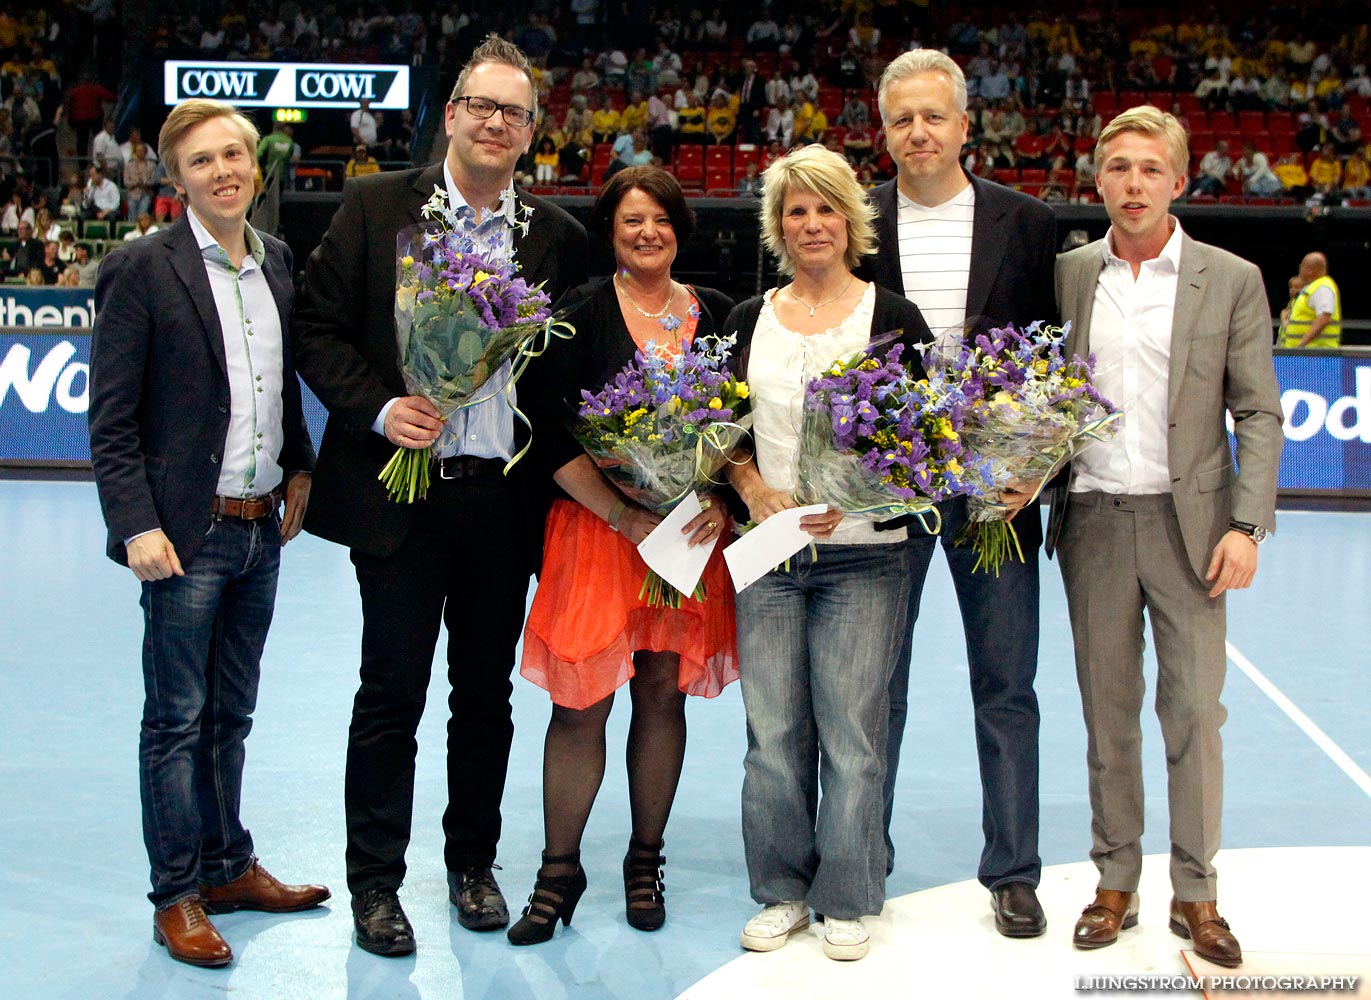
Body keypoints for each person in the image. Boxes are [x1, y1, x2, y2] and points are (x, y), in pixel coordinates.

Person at [291, 34, 588, 958]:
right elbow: (316, 326)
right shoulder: (378, 205)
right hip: (400, 498)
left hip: (500, 504)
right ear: (452, 114)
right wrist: (381, 408)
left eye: (516, 112)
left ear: (532, 131)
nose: (497, 123)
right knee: (390, 694)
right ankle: (375, 883)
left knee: (484, 697)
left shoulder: (554, 237)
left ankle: (472, 864)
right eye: (482, 106)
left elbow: (558, 382)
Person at [87, 96, 328, 971]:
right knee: (177, 720)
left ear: (254, 165)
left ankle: (228, 866)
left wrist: (300, 469)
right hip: (185, 536)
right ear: (175, 177)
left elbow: (278, 387)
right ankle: (177, 894)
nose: (223, 171)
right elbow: (111, 421)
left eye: (234, 154)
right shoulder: (141, 268)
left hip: (261, 528)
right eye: (202, 161)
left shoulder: (280, 263)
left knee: (232, 713)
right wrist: (135, 525)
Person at [1047, 104, 1283, 967]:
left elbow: (1256, 408)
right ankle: (1114, 882)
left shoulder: (1230, 277)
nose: (1133, 183)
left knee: (1193, 715)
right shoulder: (1071, 274)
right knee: (1107, 716)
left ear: (1178, 181)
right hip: (1094, 523)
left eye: (1150, 168)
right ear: (1098, 180)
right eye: (1118, 168)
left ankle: (1197, 892)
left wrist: (1248, 524)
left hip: (1195, 531)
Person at [507, 167, 738, 945]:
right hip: (598, 535)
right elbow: (543, 431)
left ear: (679, 228)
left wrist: (715, 495)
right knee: (580, 702)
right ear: (609, 232)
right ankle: (557, 870)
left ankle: (646, 859)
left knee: (662, 692)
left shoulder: (718, 316)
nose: (646, 233)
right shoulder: (575, 315)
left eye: (659, 219)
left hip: (684, 540)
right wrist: (619, 511)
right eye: (629, 221)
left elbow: (737, 436)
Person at [866, 49, 1058, 939]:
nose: (918, 132)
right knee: (875, 684)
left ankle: (1012, 870)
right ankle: (862, 852)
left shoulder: (1025, 223)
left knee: (1005, 682)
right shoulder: (854, 218)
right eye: (901, 118)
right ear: (882, 130)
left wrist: (1038, 464)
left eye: (933, 116)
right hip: (887, 489)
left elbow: (1055, 361)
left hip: (995, 494)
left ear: (964, 125)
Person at [724, 145, 932, 963]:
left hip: (865, 557)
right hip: (768, 558)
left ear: (851, 218)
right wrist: (748, 485)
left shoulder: (894, 317)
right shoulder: (747, 319)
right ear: (779, 226)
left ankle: (847, 895)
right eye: (795, 211)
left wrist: (873, 487)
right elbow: (722, 435)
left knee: (851, 735)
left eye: (825, 208)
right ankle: (781, 892)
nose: (811, 224)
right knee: (771, 736)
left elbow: (920, 445)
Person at [1280, 251, 1341, 348]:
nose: (1299, 269)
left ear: (1309, 271)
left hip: (1315, 355)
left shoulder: (1322, 288)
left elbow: (1323, 318)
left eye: (1302, 266)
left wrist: (1301, 345)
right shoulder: (1312, 288)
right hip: (1305, 354)